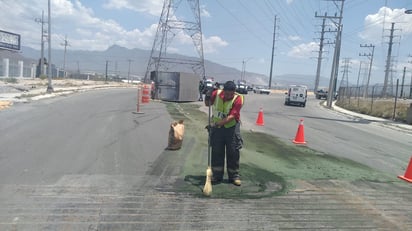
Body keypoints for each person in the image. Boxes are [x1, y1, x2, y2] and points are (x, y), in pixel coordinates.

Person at [204, 80, 244, 186]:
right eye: (227, 94)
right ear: (223, 91)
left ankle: (234, 176)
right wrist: (207, 96)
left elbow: (231, 117)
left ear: (234, 92)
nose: (229, 96)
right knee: (217, 151)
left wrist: (216, 125)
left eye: (231, 94)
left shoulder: (238, 98)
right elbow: (207, 104)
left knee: (233, 151)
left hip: (231, 128)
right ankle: (217, 175)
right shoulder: (216, 94)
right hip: (217, 129)